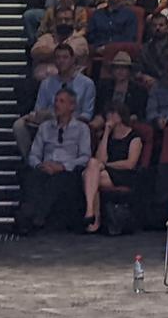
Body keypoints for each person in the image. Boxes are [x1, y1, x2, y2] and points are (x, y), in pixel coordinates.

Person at [15, 89, 91, 235]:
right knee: (32, 177)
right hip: (46, 166)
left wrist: (63, 166)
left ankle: (36, 216)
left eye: (62, 101)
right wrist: (40, 164)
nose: (57, 105)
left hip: (67, 170)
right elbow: (34, 153)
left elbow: (85, 156)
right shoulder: (45, 127)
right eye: (56, 101)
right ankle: (29, 212)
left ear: (72, 106)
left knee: (59, 181)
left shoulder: (82, 129)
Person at [81, 103, 143, 234]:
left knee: (89, 176)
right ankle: (91, 212)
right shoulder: (106, 136)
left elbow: (130, 163)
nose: (109, 118)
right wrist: (106, 134)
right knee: (92, 170)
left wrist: (107, 165)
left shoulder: (134, 137)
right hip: (105, 173)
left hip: (125, 174)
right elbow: (99, 159)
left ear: (120, 116)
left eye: (112, 114)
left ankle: (92, 217)